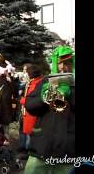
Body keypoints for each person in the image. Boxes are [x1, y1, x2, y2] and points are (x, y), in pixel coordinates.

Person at [23, 46, 75, 174]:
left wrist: (70, 93)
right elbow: (29, 105)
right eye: (59, 63)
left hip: (67, 151)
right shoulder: (45, 81)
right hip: (41, 148)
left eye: (67, 63)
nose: (63, 67)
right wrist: (44, 96)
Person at [18, 63, 44, 160]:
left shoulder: (37, 83)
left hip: (31, 114)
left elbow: (33, 99)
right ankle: (25, 150)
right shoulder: (32, 82)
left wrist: (21, 99)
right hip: (27, 112)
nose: (25, 74)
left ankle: (30, 153)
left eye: (27, 72)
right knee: (27, 133)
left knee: (31, 134)